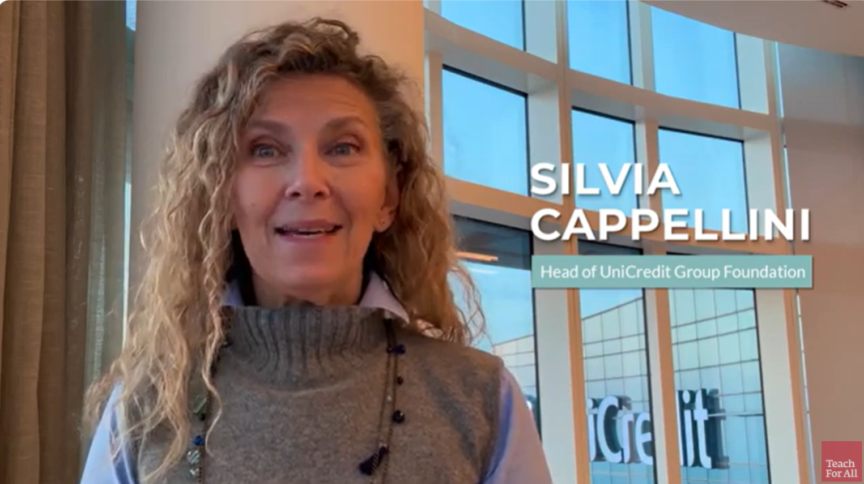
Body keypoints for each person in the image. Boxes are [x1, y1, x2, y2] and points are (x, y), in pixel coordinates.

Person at [80, 17, 553, 484]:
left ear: (388, 197)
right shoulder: (146, 407)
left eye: (343, 148)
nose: (307, 182)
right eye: (265, 150)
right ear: (221, 195)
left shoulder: (482, 399)